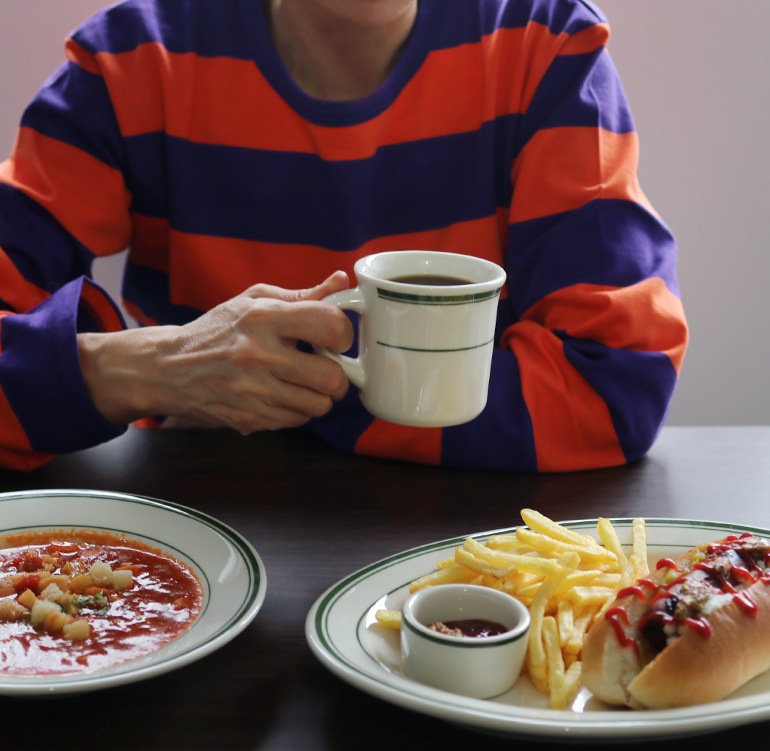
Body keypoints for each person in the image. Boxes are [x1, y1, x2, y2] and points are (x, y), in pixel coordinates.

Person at [0, 0, 688, 473]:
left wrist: (278, 386)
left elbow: (615, 388)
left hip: (472, 545)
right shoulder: (129, 61)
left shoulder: (545, 45)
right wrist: (151, 368)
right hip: (196, 529)